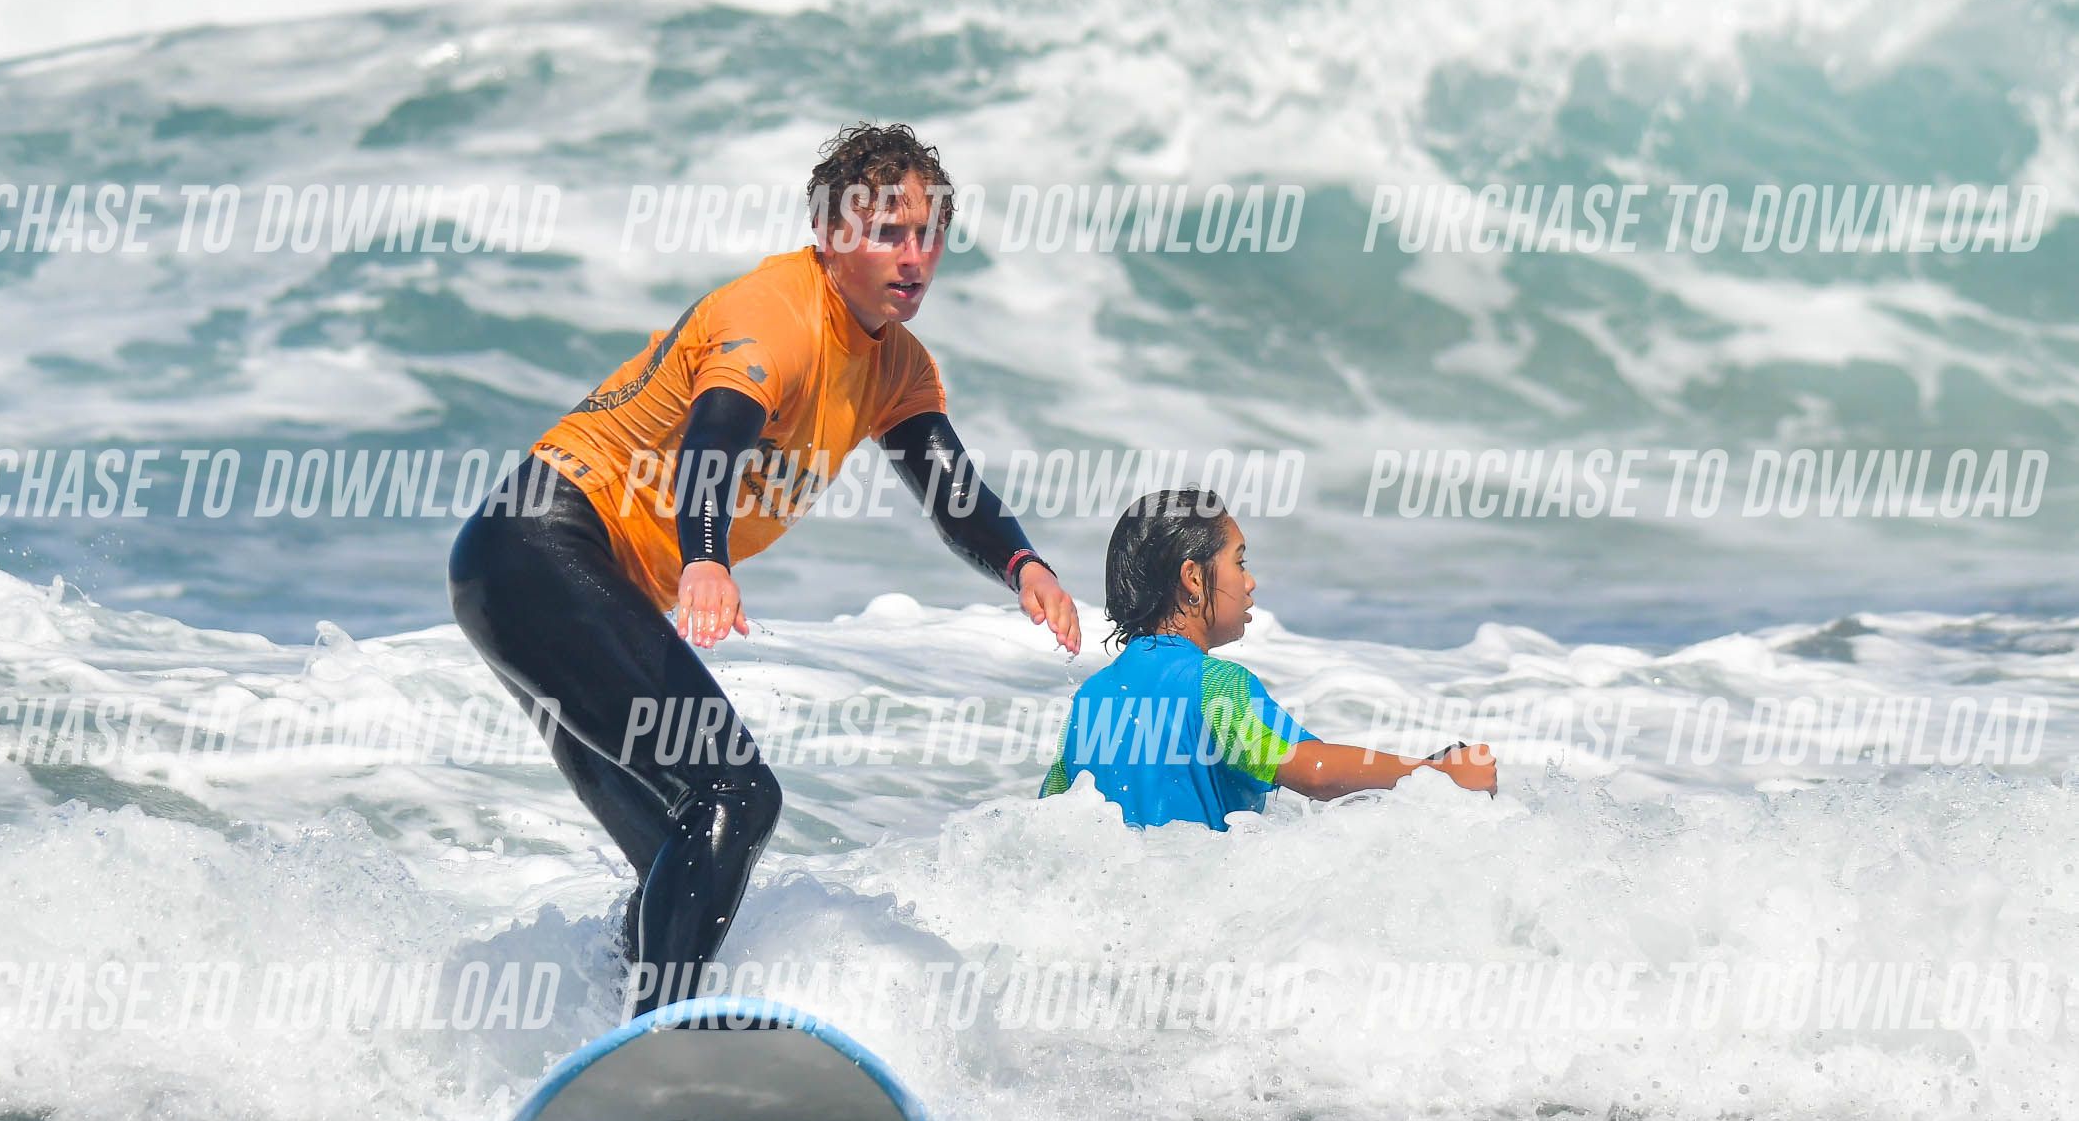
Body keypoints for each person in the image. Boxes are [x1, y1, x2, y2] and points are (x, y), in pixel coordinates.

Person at [451, 123, 1081, 1012]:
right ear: (829, 233)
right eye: (888, 233)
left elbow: (949, 486)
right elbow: (712, 444)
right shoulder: (774, 316)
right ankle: (657, 1041)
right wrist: (706, 560)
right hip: (538, 548)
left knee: (681, 852)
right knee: (734, 794)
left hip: (556, 577)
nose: (915, 257)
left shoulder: (894, 364)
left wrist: (1024, 565)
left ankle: (598, 1036)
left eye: (929, 233)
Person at [1041, 488, 1497, 827]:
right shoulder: (1215, 684)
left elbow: (1051, 814)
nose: (1250, 581)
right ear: (1193, 578)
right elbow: (1313, 770)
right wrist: (1436, 772)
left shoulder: (1090, 699)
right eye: (1239, 563)